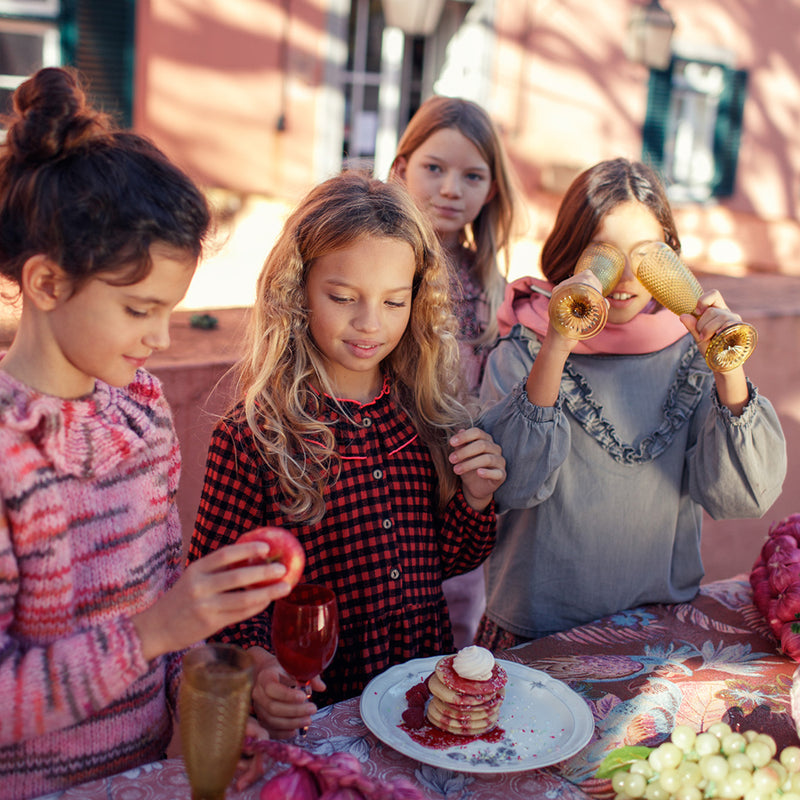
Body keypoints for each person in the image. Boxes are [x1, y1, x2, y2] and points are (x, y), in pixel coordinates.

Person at [0, 67, 292, 800]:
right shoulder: (9, 459)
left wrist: (211, 706)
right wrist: (153, 633)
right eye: (138, 311)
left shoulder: (140, 411)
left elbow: (168, 603)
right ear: (45, 285)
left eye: (171, 309)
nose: (160, 337)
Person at [188, 171, 506, 738]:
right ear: (297, 290)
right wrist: (260, 671)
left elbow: (451, 560)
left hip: (421, 712)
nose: (370, 324)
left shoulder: (428, 416)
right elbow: (222, 601)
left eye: (393, 301)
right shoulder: (254, 436)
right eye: (342, 298)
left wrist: (476, 499)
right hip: (322, 721)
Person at [476, 157, 787, 649]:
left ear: (671, 259)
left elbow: (742, 497)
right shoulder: (522, 350)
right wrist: (557, 343)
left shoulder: (693, 355)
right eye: (603, 255)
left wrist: (728, 366)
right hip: (537, 632)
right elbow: (513, 485)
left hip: (658, 630)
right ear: (571, 253)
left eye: (645, 256)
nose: (622, 278)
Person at [390, 95, 521, 647]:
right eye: (434, 168)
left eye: (471, 175)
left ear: (491, 190)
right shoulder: (380, 263)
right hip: (385, 479)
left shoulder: (492, 288)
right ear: (401, 168)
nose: (449, 189)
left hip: (458, 495)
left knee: (454, 638)